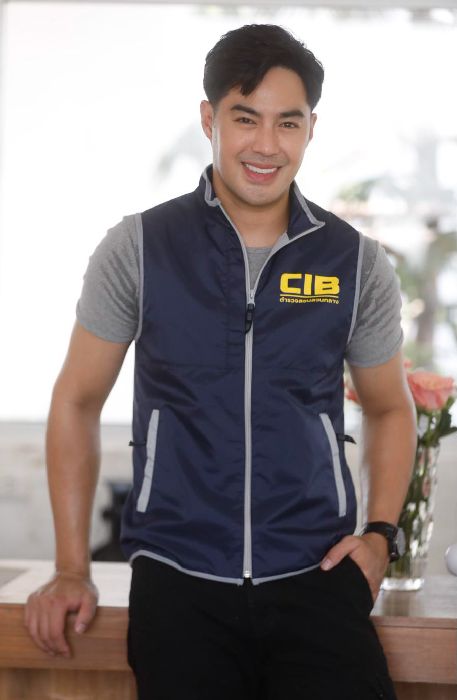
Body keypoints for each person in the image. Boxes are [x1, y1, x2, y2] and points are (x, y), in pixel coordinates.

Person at [25, 23, 417, 699]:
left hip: (318, 576)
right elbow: (77, 400)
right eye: (245, 118)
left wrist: (379, 535)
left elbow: (388, 407)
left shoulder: (354, 262)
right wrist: (69, 568)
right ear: (209, 120)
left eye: (287, 122)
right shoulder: (140, 247)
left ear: (310, 129)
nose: (266, 145)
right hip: (178, 584)